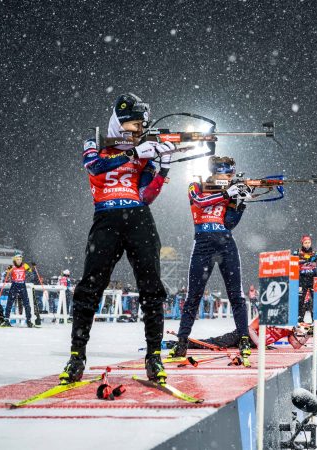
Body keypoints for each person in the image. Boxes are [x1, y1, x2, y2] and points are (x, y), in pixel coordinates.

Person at [59, 93, 175, 384]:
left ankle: (154, 355)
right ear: (120, 123)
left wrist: (164, 166)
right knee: (90, 287)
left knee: (152, 287)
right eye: (135, 126)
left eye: (141, 127)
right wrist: (133, 154)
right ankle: (76, 355)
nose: (138, 132)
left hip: (138, 218)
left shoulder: (143, 150)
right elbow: (94, 167)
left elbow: (146, 195)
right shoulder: (95, 142)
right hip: (106, 218)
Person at [169, 156, 253, 366]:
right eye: (227, 174)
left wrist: (240, 204)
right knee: (193, 296)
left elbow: (229, 223)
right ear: (216, 171)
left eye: (231, 174)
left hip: (226, 243)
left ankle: (244, 339)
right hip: (203, 244)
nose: (230, 177)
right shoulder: (196, 185)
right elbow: (199, 202)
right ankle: (181, 341)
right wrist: (226, 193)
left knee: (236, 295)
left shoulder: (231, 189)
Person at [3, 253, 36, 328]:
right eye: (17, 259)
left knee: (26, 303)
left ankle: (29, 320)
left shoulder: (25, 265)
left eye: (20, 259)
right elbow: (5, 276)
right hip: (14, 285)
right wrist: (7, 273)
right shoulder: (11, 267)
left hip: (22, 285)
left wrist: (33, 268)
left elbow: (32, 275)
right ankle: (6, 319)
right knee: (10, 302)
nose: (19, 261)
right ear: (15, 260)